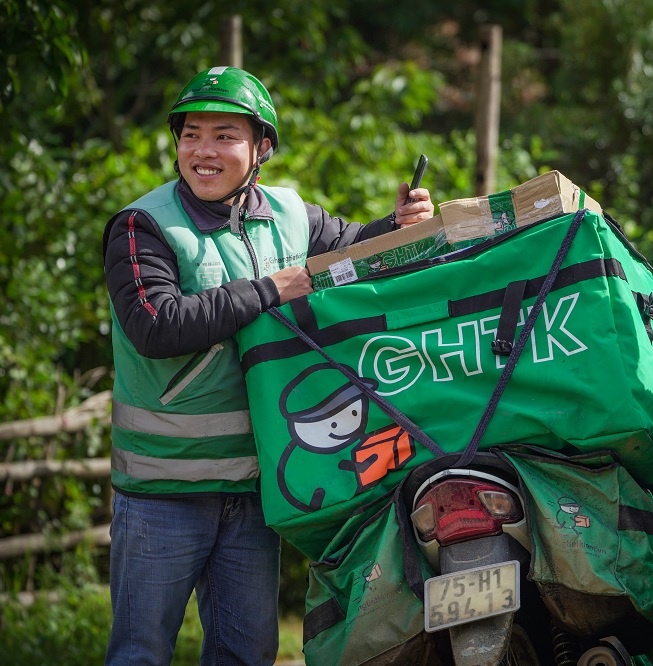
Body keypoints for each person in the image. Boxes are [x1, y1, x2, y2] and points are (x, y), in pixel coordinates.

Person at [102, 66, 434, 665]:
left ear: (262, 149)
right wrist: (271, 289)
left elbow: (352, 252)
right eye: (190, 135)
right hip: (163, 494)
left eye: (224, 135)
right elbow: (156, 325)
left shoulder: (289, 214)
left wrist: (397, 228)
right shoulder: (142, 225)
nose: (203, 151)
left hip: (255, 489)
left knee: (246, 655)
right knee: (139, 655)